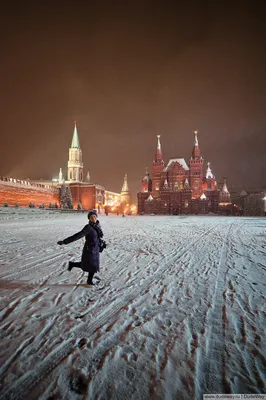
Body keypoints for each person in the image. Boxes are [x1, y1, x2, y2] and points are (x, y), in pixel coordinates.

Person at [57, 211, 104, 285]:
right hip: (90, 249)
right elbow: (77, 235)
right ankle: (89, 281)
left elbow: (97, 236)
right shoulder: (88, 227)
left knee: (88, 264)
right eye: (91, 217)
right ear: (89, 219)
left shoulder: (97, 225)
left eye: (94, 216)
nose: (93, 218)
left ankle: (72, 264)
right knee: (92, 265)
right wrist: (64, 241)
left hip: (96, 248)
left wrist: (101, 243)